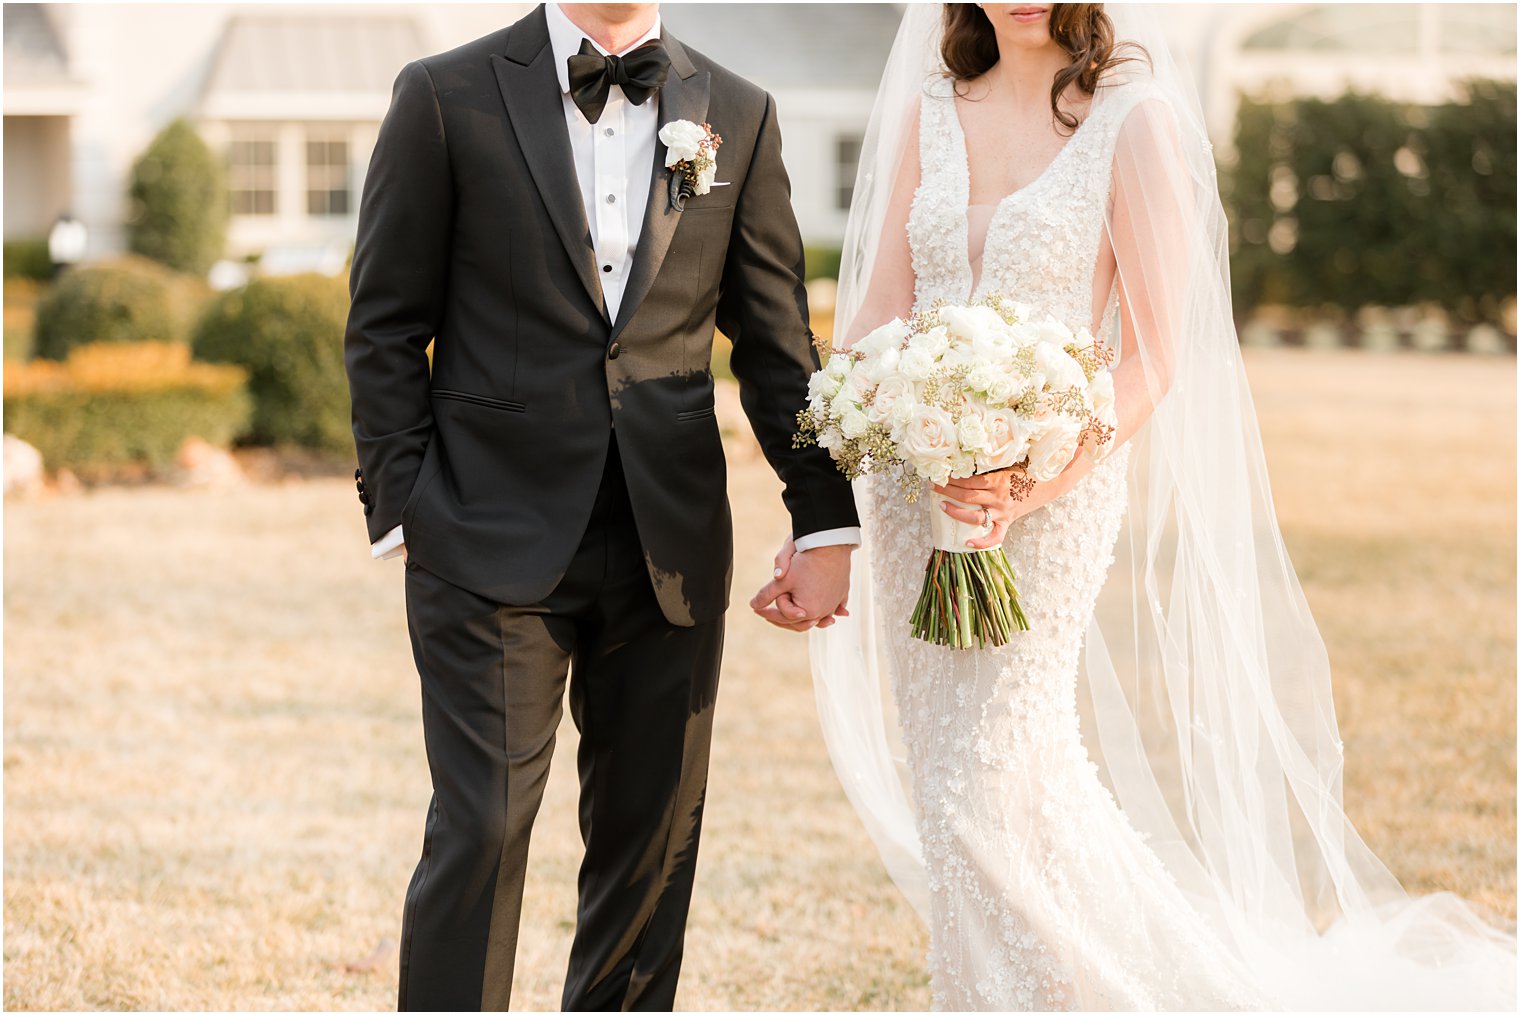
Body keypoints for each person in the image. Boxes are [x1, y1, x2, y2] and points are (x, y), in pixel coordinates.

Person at [802, 4, 1517, 1009]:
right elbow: (877, 305)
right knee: (966, 783)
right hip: (912, 491)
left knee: (986, 781)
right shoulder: (931, 108)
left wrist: (1025, 480)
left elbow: (1153, 355)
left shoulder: (1127, 120)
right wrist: (874, 426)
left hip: (1048, 490)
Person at [343, 3, 857, 1009]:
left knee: (649, 844)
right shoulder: (443, 95)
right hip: (483, 534)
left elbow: (775, 346)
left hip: (667, 542)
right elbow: (383, 322)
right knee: (482, 826)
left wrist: (823, 520)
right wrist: (404, 503)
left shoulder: (740, 114)